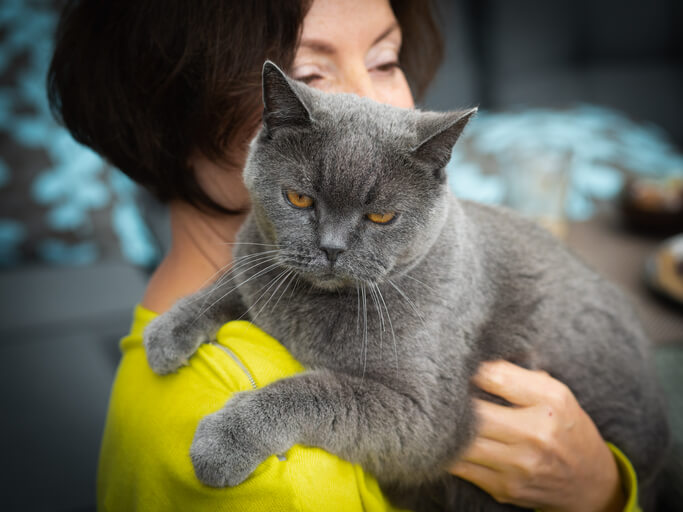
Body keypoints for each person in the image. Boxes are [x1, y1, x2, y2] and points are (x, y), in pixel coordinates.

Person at [48, 1, 640, 510]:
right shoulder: (284, 484)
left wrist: (608, 488)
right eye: (309, 73)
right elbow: (418, 422)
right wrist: (601, 497)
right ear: (173, 113)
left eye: (385, 60)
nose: (367, 100)